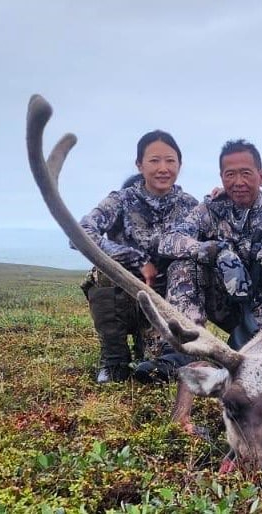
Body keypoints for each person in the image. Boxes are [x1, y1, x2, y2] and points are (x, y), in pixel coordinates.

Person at [156, 139, 262, 435]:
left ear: (261, 176)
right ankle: (187, 348)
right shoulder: (210, 210)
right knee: (183, 266)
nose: (238, 182)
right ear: (221, 177)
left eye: (246, 173)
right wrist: (214, 251)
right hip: (231, 306)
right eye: (229, 174)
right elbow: (169, 241)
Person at [77, 130, 198, 384]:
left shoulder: (190, 206)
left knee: (152, 370)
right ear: (139, 164)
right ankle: (114, 360)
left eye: (170, 160)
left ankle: (164, 354)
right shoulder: (120, 200)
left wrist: (220, 198)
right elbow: (81, 234)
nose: (163, 168)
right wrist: (136, 260)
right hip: (122, 293)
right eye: (154, 161)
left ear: (180, 164)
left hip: (161, 305)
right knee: (103, 271)